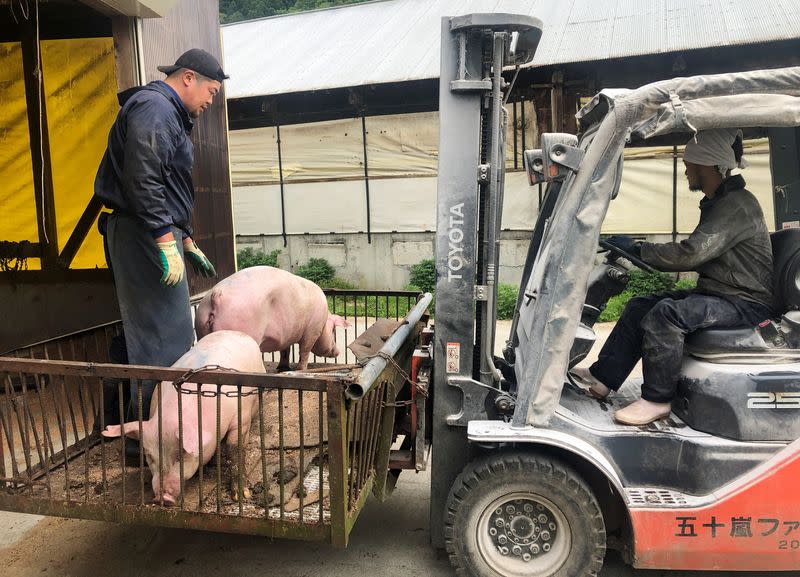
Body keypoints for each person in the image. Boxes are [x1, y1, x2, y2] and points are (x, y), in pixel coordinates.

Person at [572, 129, 774, 425]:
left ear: (708, 164)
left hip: (744, 302)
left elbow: (690, 254)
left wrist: (639, 249)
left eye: (690, 163)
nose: (685, 168)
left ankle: (656, 400)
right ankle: (603, 378)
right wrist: (637, 249)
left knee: (666, 315)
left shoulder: (736, 205)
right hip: (720, 294)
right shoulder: (720, 201)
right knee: (641, 305)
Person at [94, 49, 227, 433]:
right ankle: (151, 439)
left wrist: (184, 239)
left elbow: (166, 186)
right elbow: (144, 180)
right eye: (211, 92)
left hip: (151, 230)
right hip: (141, 233)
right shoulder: (154, 109)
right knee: (159, 339)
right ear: (189, 77)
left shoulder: (168, 113)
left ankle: (141, 425)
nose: (210, 101)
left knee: (169, 332)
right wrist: (163, 238)